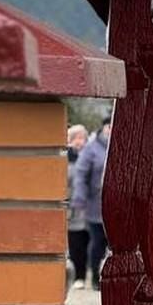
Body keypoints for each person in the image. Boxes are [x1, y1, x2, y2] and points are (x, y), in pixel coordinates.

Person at [72, 117, 111, 291]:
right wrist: (79, 198)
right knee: (97, 242)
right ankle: (95, 277)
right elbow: (80, 175)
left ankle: (111, 277)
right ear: (104, 128)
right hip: (95, 206)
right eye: (109, 126)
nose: (111, 129)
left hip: (116, 206)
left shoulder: (121, 145)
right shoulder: (91, 148)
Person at [66, 124, 90, 289]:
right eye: (76, 138)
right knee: (75, 243)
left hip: (89, 209)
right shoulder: (65, 158)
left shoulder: (90, 157)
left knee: (89, 242)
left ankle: (88, 273)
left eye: (82, 138)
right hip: (72, 209)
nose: (79, 142)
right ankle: (79, 276)